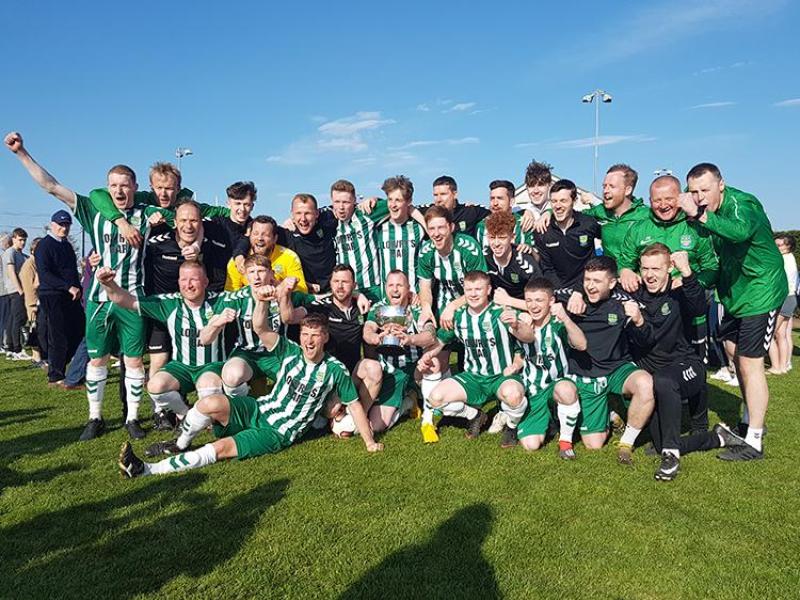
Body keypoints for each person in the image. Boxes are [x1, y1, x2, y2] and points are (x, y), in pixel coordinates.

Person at [5, 131, 169, 440]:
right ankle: (95, 417)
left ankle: (133, 418)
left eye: (125, 185)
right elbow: (51, 186)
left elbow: (184, 216)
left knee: (134, 360)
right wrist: (21, 153)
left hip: (132, 299)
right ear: (107, 189)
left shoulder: (146, 214)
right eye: (114, 185)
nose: (119, 190)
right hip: (98, 299)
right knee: (97, 359)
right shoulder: (93, 211)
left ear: (135, 187)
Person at [118, 307, 383, 479]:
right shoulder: (289, 351)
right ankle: (180, 444)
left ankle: (146, 470)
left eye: (315, 335)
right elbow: (260, 328)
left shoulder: (334, 370)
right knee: (209, 402)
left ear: (325, 337)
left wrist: (369, 442)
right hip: (259, 408)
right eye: (305, 334)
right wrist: (263, 301)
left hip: (277, 431)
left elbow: (354, 405)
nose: (309, 341)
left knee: (221, 448)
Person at [679, 163, 787, 460]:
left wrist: (698, 214)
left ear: (721, 185)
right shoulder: (706, 214)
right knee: (733, 353)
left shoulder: (742, 204)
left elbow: (739, 232)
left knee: (751, 361)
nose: (699, 197)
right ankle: (748, 420)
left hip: (761, 290)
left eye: (705, 190)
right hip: (735, 294)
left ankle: (754, 440)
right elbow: (712, 258)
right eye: (693, 191)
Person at [629, 244, 746, 480]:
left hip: (687, 366)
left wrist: (687, 273)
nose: (649, 275)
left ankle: (671, 457)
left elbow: (698, 306)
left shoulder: (680, 291)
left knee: (663, 380)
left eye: (656, 269)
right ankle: (718, 438)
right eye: (645, 268)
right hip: (654, 373)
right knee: (659, 441)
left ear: (668, 269)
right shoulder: (635, 294)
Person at [96, 261, 225, 438]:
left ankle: (219, 415)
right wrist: (109, 284)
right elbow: (126, 300)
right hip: (182, 367)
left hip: (211, 366)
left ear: (205, 281)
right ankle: (187, 415)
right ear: (178, 281)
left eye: (194, 279)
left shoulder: (221, 300)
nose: (188, 285)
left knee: (208, 388)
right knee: (155, 386)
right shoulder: (169, 303)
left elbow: (248, 296)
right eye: (184, 279)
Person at [555, 256, 655, 464]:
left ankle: (626, 442)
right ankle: (609, 413)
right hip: (586, 374)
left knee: (645, 383)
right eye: (587, 280)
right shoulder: (570, 298)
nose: (590, 286)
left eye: (597, 281)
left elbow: (647, 340)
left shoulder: (623, 302)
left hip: (617, 369)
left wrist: (638, 320)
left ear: (611, 283)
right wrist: (575, 292)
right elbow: (539, 298)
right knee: (594, 444)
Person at [418, 271, 527, 444]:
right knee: (436, 398)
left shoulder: (500, 312)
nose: (473, 294)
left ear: (488, 290)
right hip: (473, 378)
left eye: (478, 289)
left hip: (501, 376)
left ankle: (511, 426)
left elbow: (527, 334)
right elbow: (440, 341)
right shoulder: (458, 316)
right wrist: (428, 355)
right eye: (469, 289)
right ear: (464, 291)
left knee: (514, 396)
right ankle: (475, 415)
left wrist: (518, 324)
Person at [339, 270, 436, 437]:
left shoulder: (417, 307)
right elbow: (367, 330)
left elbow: (430, 335)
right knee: (376, 425)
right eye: (391, 285)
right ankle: (407, 402)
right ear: (385, 288)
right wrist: (376, 338)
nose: (395, 290)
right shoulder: (379, 308)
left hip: (416, 368)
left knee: (435, 381)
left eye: (399, 285)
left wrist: (410, 339)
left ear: (408, 288)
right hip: (391, 370)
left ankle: (417, 396)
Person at [502, 278, 586, 456]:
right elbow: (520, 355)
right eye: (529, 301)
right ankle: (552, 419)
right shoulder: (522, 324)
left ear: (551, 301)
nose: (533, 306)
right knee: (531, 445)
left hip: (557, 384)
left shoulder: (558, 324)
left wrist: (566, 319)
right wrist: (515, 366)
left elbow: (581, 345)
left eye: (539, 300)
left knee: (566, 389)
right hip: (534, 390)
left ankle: (565, 442)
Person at [213, 255, 315, 397]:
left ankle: (281, 405)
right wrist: (217, 322)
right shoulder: (235, 298)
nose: (256, 277)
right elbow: (212, 322)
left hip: (278, 353)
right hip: (247, 352)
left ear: (271, 273)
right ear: (245, 276)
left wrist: (351, 295)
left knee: (301, 383)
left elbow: (318, 301)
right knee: (231, 375)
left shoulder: (285, 294)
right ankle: (244, 406)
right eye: (251, 272)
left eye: (261, 271)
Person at [277, 264, 366, 372]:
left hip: (354, 372)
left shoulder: (362, 307)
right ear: (330, 283)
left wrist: (359, 295)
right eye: (336, 281)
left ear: (354, 285)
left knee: (372, 368)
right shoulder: (321, 307)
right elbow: (289, 318)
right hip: (327, 373)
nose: (340, 286)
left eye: (345, 282)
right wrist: (285, 293)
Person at [33, 211, 85, 386]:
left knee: (79, 331)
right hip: (52, 294)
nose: (64, 228)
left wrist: (78, 288)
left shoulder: (67, 246)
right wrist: (67, 286)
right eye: (61, 225)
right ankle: (55, 374)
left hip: (70, 295)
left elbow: (71, 270)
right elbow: (45, 273)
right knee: (58, 335)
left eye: (67, 225)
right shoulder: (44, 246)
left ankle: (68, 365)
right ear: (52, 225)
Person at [533, 179, 601, 289]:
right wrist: (560, 291)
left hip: (587, 287)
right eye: (554, 201)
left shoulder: (588, 223)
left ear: (574, 201)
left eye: (563, 201)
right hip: (558, 290)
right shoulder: (542, 230)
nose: (558, 206)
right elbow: (547, 268)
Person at [329, 179, 390, 302]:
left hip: (371, 289)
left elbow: (396, 202)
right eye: (337, 202)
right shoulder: (329, 220)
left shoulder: (365, 213)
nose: (341, 207)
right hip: (345, 291)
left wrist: (376, 199)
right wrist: (291, 221)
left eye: (346, 202)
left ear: (354, 201)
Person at [581, 164, 650, 262]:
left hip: (635, 271)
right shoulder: (599, 211)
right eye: (604, 186)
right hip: (609, 271)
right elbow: (574, 217)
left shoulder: (646, 215)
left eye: (611, 186)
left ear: (627, 190)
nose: (605, 191)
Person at [225, 215, 307, 293]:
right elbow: (229, 296)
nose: (260, 238)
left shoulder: (289, 257)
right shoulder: (238, 261)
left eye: (266, 235)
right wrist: (253, 292)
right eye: (255, 234)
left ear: (275, 239)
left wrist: (279, 287)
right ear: (249, 236)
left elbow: (302, 292)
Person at [276, 193, 337, 293]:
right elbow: (259, 233)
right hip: (303, 294)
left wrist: (364, 204)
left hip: (333, 292)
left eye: (307, 213)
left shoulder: (327, 220)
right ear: (292, 215)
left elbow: (345, 206)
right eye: (298, 213)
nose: (303, 219)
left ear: (317, 214)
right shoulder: (284, 234)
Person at [375, 176, 427, 290]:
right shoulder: (378, 228)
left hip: (413, 296)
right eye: (390, 199)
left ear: (408, 202)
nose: (393, 205)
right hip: (387, 296)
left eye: (398, 200)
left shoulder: (419, 228)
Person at [484, 211, 542, 303]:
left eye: (502, 238)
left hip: (523, 306)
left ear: (512, 237)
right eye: (492, 237)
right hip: (495, 306)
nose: (496, 243)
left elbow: (540, 303)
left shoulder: (524, 263)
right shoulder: (484, 257)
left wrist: (509, 301)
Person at [474, 180, 535, 251]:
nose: (495, 203)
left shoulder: (524, 223)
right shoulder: (481, 227)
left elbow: (536, 253)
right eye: (492, 198)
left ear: (511, 201)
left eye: (500, 198)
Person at [767, 234, 797, 374]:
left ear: (788, 246)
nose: (776, 248)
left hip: (783, 298)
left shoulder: (783, 260)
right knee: (782, 334)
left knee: (769, 334)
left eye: (779, 245)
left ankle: (776, 366)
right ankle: (783, 365)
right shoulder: (791, 258)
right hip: (791, 298)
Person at [3, 228, 30, 359]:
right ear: (14, 239)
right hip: (15, 290)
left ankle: (10, 347)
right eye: (20, 240)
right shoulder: (10, 252)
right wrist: (20, 290)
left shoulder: (22, 255)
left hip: (19, 289)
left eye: (24, 240)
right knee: (18, 319)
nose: (23, 243)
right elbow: (11, 272)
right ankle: (17, 349)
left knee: (13, 318)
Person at [18, 237, 42, 365]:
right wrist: (33, 304)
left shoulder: (34, 263)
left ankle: (39, 355)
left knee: (38, 328)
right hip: (33, 301)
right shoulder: (30, 265)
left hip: (36, 301)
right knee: (34, 329)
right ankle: (36, 356)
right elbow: (31, 286)